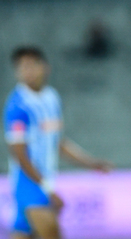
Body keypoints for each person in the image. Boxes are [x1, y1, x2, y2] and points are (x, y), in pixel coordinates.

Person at [3, 47, 112, 239]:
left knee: (22, 235)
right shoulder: (17, 105)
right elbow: (19, 154)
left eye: (31, 65)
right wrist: (47, 189)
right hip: (29, 184)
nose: (27, 71)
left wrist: (90, 163)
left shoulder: (51, 97)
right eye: (21, 67)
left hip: (44, 180)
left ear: (44, 67)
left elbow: (57, 142)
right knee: (53, 234)